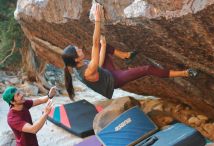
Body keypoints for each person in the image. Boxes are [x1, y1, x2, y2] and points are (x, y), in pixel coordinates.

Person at [62, 4, 197, 100]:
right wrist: (97, 19)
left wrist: (103, 46)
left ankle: (125, 56)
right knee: (147, 69)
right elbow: (95, 44)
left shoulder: (76, 66)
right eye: (77, 51)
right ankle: (185, 73)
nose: (80, 49)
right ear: (76, 59)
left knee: (104, 45)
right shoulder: (86, 72)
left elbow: (98, 62)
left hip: (104, 72)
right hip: (114, 80)